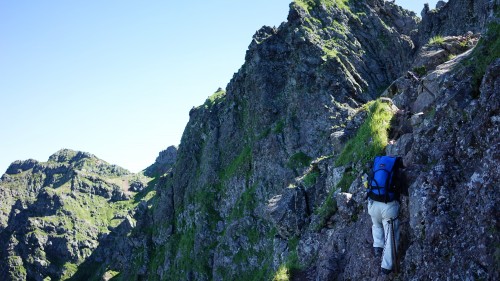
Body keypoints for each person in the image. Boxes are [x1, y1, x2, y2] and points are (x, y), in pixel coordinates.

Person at [366, 156, 406, 275]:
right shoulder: (396, 174)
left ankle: (378, 246)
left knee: (376, 224)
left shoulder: (375, 168)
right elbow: (403, 190)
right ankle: (386, 267)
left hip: (372, 205)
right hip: (388, 208)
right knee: (391, 237)